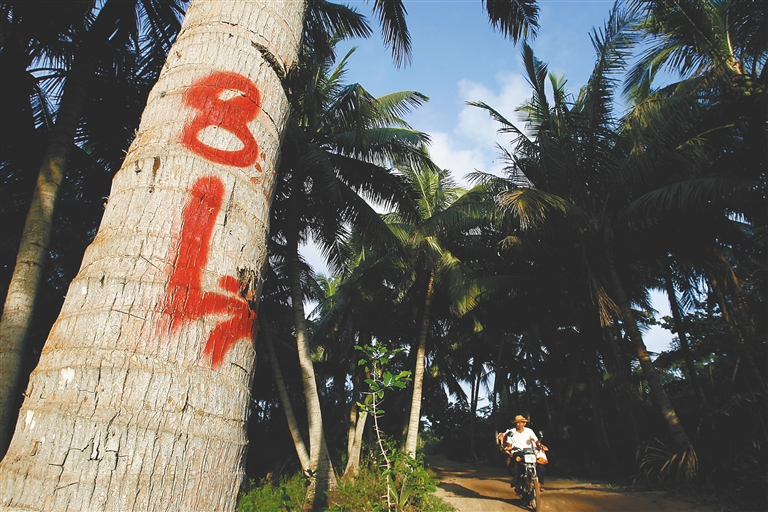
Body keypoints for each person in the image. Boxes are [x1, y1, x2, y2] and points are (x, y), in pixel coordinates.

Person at [500, 415, 547, 491]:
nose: (520, 424)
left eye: (521, 422)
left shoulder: (529, 431)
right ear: (515, 424)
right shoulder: (511, 432)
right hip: (517, 452)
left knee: (540, 466)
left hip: (529, 452)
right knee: (515, 464)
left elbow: (536, 440)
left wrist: (541, 446)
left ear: (524, 423)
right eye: (518, 423)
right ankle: (516, 483)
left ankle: (539, 483)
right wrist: (509, 447)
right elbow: (509, 443)